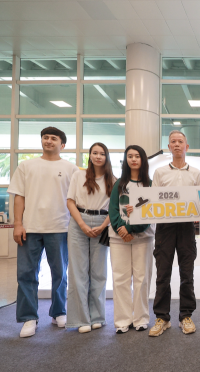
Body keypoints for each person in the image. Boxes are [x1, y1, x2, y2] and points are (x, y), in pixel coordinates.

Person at [8, 127, 79, 338]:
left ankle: (59, 311)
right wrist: (18, 224)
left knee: (60, 273)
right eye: (45, 138)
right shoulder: (26, 166)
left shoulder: (71, 169)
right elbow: (18, 197)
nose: (49, 141)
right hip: (30, 228)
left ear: (62, 144)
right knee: (26, 274)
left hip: (59, 227)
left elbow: (74, 200)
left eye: (54, 138)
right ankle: (29, 317)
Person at [148, 130, 200, 337]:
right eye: (173, 142)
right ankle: (162, 318)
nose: (177, 145)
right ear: (169, 147)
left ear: (186, 147)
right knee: (163, 275)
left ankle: (186, 316)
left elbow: (199, 200)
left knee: (187, 274)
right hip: (165, 227)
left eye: (181, 142)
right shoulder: (160, 173)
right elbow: (152, 200)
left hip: (187, 227)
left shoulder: (195, 173)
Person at [66, 142, 116, 333]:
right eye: (94, 153)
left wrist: (104, 225)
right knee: (78, 271)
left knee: (99, 273)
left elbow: (114, 207)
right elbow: (70, 201)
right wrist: (82, 224)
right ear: (90, 155)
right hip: (79, 221)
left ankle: (97, 317)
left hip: (103, 223)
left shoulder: (113, 178)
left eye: (102, 153)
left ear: (106, 156)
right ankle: (81, 319)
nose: (98, 156)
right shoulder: (79, 175)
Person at [108, 145, 155, 334]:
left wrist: (129, 228)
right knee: (120, 278)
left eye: (137, 156)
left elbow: (149, 214)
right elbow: (112, 210)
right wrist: (121, 230)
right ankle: (122, 321)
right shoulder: (119, 184)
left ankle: (141, 319)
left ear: (143, 160)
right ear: (126, 160)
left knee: (142, 279)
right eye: (130, 156)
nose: (134, 159)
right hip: (118, 239)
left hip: (143, 237)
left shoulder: (150, 185)